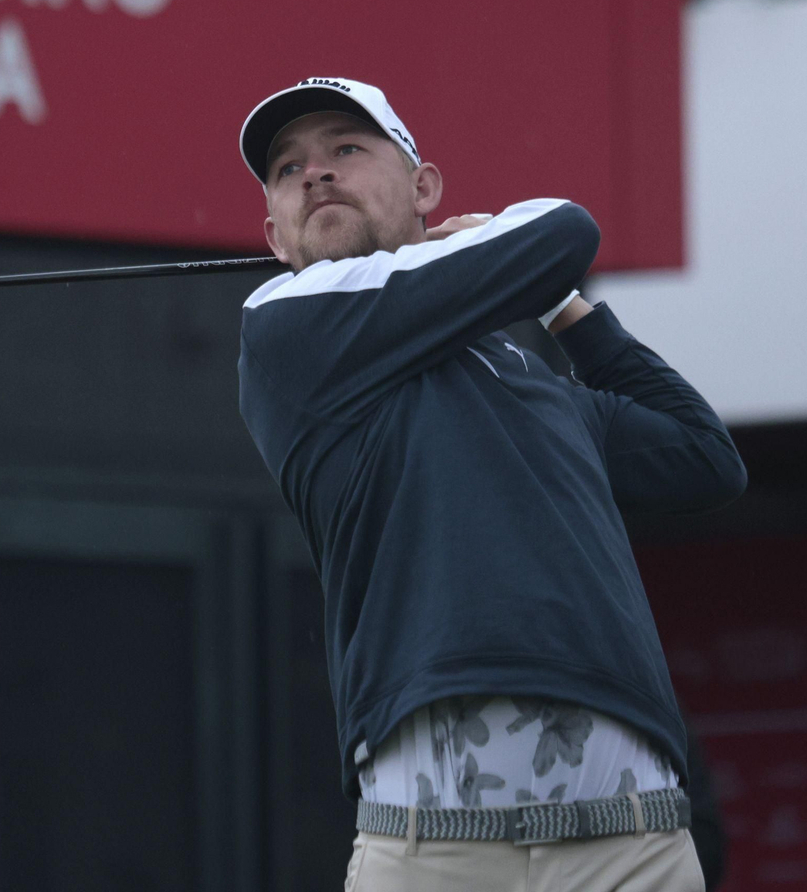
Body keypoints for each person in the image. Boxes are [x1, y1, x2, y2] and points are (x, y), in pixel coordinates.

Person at [236, 77, 746, 890]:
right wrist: (505, 254)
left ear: (424, 188)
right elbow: (563, 227)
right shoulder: (288, 323)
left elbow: (703, 456)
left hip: (631, 840)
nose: (315, 173)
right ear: (275, 236)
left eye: (346, 149)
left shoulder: (528, 378)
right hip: (428, 852)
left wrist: (567, 311)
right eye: (289, 168)